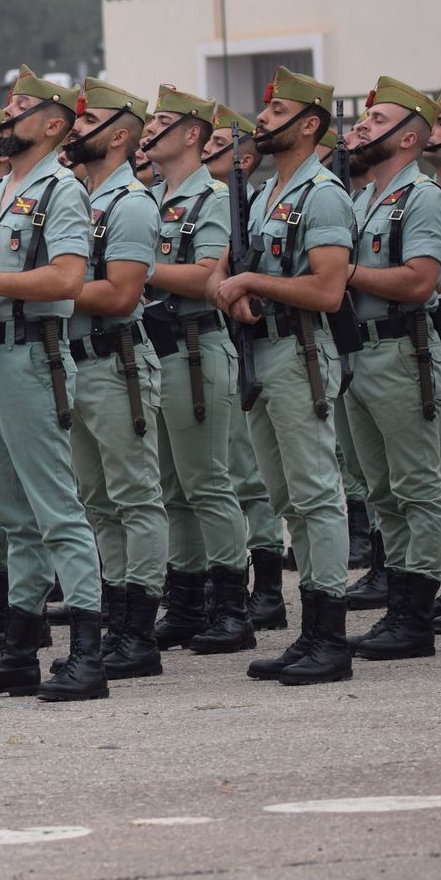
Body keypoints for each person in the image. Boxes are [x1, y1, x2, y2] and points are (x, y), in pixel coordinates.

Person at [0, 66, 105, 703]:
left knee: (55, 507)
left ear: (54, 125)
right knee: (12, 514)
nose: (5, 117)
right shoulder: (0, 191)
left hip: (33, 358)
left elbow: (66, 279)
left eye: (20, 108)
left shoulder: (60, 189)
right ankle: (20, 647)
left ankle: (87, 651)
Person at [206, 66, 355, 686]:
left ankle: (330, 635)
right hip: (262, 351)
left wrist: (251, 283)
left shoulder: (322, 192)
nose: (261, 120)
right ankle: (309, 631)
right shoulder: (267, 193)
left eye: (276, 112)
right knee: (287, 497)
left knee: (317, 495)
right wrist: (228, 291)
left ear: (310, 123)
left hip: (299, 353)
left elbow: (326, 289)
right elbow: (222, 273)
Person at [58, 79, 168, 677]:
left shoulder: (130, 202)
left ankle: (138, 632)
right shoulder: (79, 197)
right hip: (77, 362)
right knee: (98, 501)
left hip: (115, 361)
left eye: (89, 119)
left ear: (120, 136)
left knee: (135, 496)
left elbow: (123, 294)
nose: (75, 128)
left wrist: (48, 293)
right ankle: (115, 617)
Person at [139, 86, 253, 656]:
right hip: (153, 349)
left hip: (193, 347)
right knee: (170, 489)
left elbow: (208, 276)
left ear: (191, 135)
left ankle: (234, 605)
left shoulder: (212, 197)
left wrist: (135, 269)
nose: (149, 129)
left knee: (207, 481)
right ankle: (184, 601)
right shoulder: (148, 199)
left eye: (161, 121)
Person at [341, 78, 441, 660]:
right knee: (380, 489)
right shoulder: (361, 199)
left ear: (408, 137)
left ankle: (415, 613)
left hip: (405, 351)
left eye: (375, 120)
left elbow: (420, 280)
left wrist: (342, 276)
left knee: (417, 486)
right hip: (362, 352)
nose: (360, 127)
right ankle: (400, 603)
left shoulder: (422, 197)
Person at [205, 104, 287, 631]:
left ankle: (270, 588)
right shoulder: (237, 204)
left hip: (235, 343)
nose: (212, 149)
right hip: (234, 337)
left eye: (220, 143)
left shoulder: (230, 201)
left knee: (247, 473)